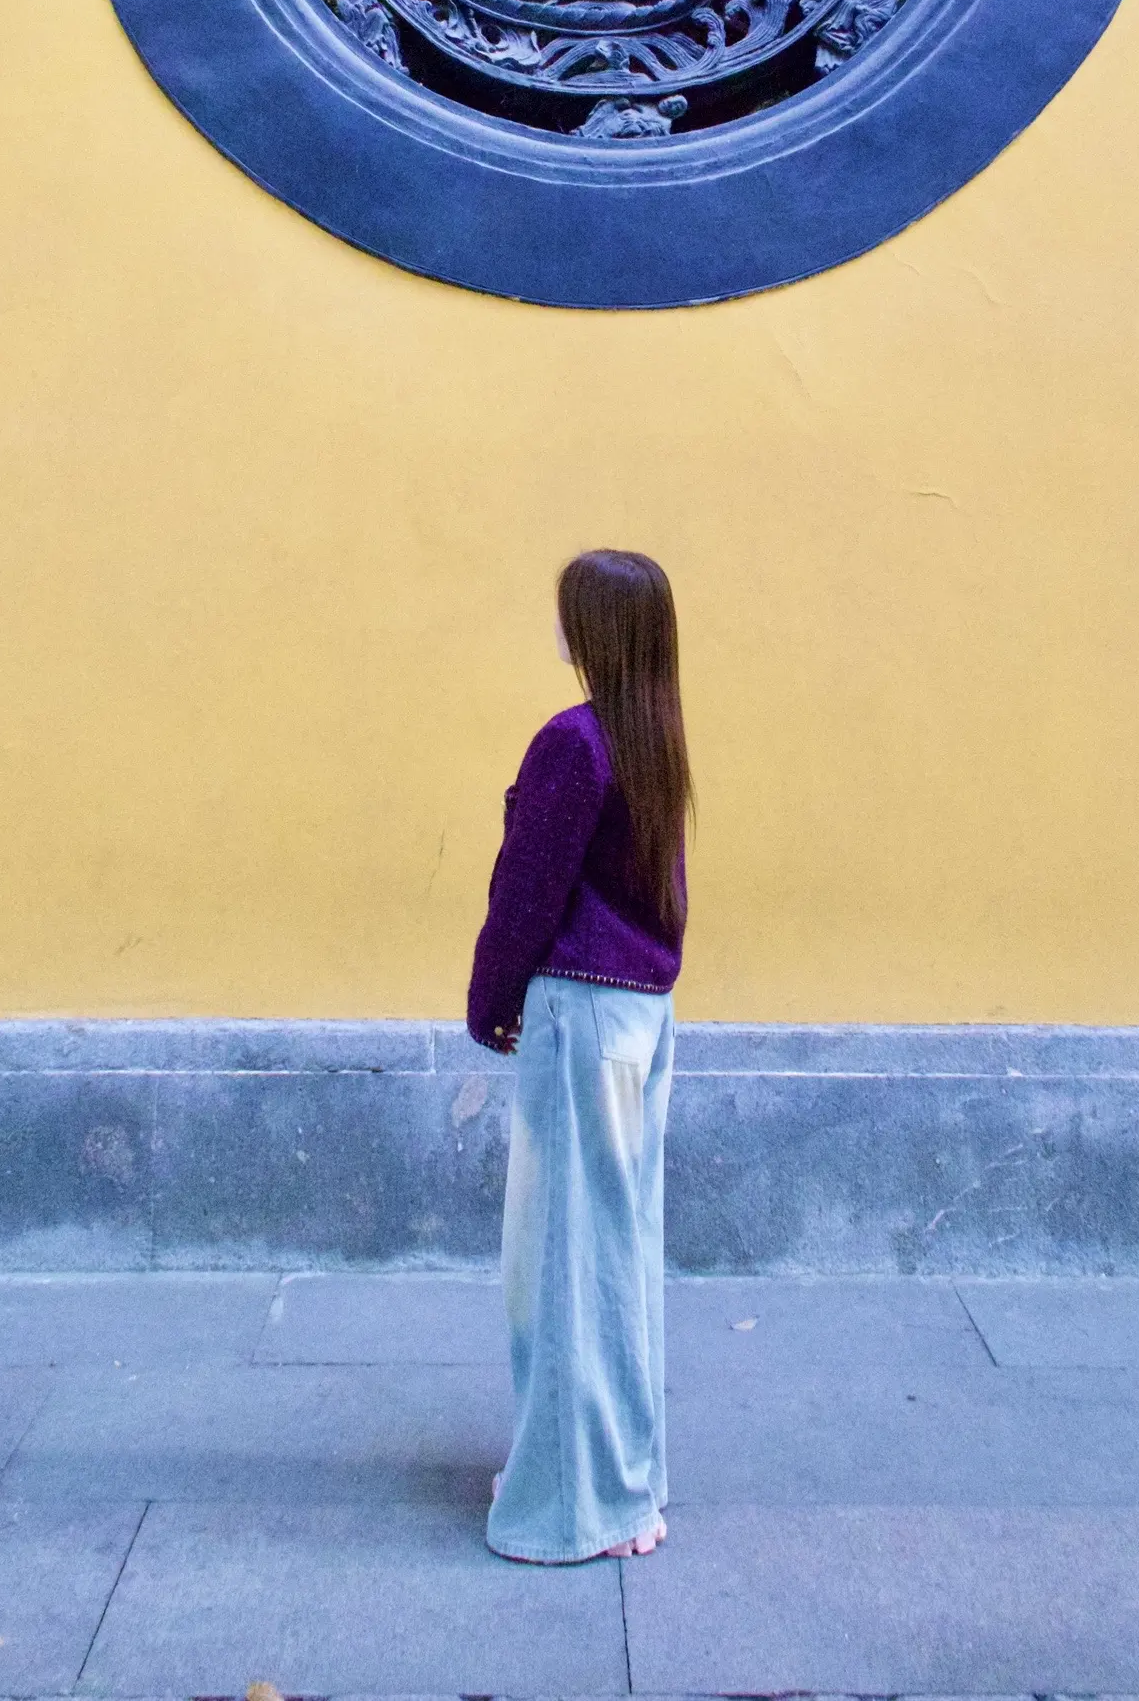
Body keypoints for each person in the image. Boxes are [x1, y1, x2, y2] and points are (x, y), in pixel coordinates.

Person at [466, 548, 692, 1565]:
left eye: (567, 612)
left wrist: (490, 1000)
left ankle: (579, 1507)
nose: (555, 627)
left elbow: (528, 889)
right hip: (638, 1016)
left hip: (581, 1019)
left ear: (594, 628)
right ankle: (621, 1482)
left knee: (562, 1265)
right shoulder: (653, 739)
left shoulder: (573, 742)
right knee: (617, 1255)